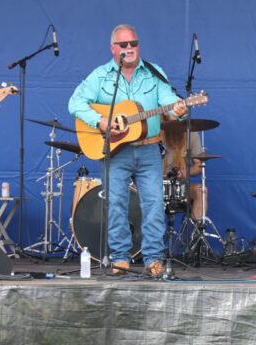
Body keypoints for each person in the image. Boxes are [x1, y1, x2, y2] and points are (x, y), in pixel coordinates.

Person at [69, 24, 187, 276]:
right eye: (124, 45)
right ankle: (121, 257)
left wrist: (177, 108)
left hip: (149, 149)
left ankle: (153, 258)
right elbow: (75, 103)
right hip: (115, 151)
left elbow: (167, 99)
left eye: (134, 43)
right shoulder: (101, 76)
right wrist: (100, 122)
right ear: (114, 49)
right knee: (116, 204)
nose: (130, 48)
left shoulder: (154, 73)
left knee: (155, 204)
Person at [161, 115, 207, 220]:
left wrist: (186, 172)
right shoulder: (153, 132)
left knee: (201, 190)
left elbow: (199, 165)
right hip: (153, 186)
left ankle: (197, 232)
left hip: (178, 186)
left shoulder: (190, 133)